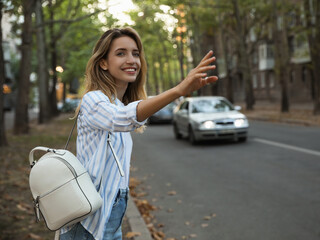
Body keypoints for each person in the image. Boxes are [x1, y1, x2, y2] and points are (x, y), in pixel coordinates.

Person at [59, 27, 218, 240]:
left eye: (135, 53)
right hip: (88, 217)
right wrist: (178, 90)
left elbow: (127, 114)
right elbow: (122, 118)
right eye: (121, 53)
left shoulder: (119, 104)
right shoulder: (93, 100)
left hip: (113, 209)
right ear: (103, 63)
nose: (131, 59)